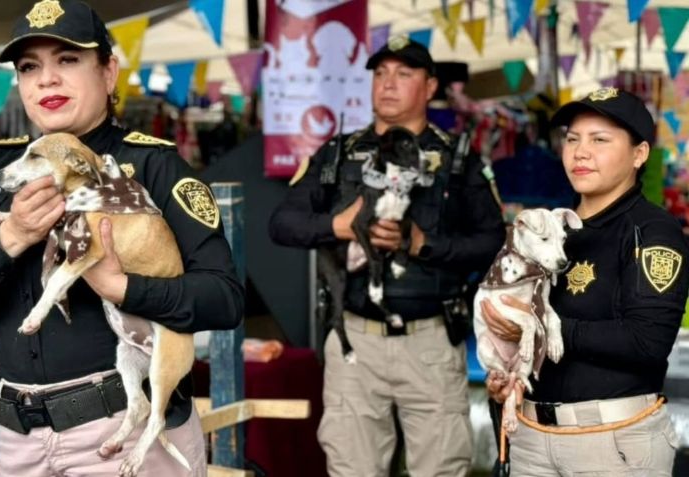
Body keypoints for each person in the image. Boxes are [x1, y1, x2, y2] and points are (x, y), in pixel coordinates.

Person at [0, 1, 244, 475]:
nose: (46, 79)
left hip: (123, 430)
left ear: (109, 72)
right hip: (18, 440)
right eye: (30, 67)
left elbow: (224, 299)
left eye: (67, 59)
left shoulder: (152, 166)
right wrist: (10, 236)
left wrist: (124, 288)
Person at [268, 34, 505, 477]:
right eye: (380, 74)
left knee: (440, 469)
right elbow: (281, 224)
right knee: (351, 468)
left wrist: (421, 244)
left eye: (403, 74)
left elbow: (493, 243)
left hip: (431, 341)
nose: (388, 83)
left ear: (430, 87)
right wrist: (338, 226)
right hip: (354, 341)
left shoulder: (458, 158)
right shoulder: (339, 154)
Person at [483, 87, 689, 476]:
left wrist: (548, 329)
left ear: (639, 154)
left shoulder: (652, 232)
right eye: (572, 139)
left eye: (600, 140)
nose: (580, 152)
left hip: (610, 443)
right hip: (530, 437)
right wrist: (509, 375)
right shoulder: (546, 230)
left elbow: (647, 342)